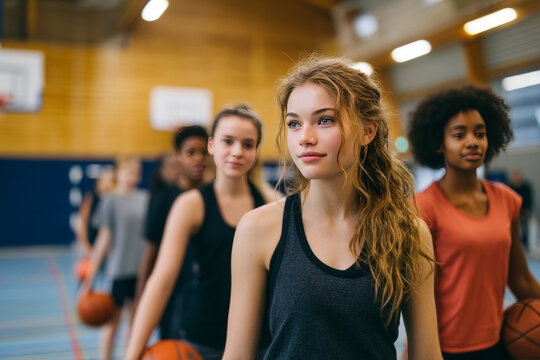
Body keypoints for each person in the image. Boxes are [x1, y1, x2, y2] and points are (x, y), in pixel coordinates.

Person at [223, 57, 442, 360]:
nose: (305, 138)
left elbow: (427, 356)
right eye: (294, 124)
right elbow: (236, 356)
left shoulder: (408, 232)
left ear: (368, 131)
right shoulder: (258, 229)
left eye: (325, 120)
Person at [125, 105, 281, 360]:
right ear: (212, 145)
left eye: (248, 144)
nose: (237, 152)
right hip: (203, 341)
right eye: (228, 141)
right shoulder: (191, 205)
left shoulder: (271, 203)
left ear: (256, 151)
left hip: (259, 342)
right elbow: (162, 280)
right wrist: (132, 354)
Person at [408, 85, 540, 359]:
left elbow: (521, 278)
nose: (472, 141)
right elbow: (418, 296)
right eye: (459, 135)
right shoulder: (422, 208)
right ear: (437, 143)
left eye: (480, 133)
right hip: (443, 349)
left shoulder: (507, 200)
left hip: (498, 342)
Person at [135, 125, 209, 341]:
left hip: (207, 300)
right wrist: (141, 304)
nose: (198, 159)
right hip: (174, 298)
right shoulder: (164, 200)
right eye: (191, 152)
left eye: (203, 152)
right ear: (178, 157)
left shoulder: (215, 197)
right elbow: (150, 254)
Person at [80, 156, 149, 360]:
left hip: (141, 271)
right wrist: (90, 279)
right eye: (129, 168)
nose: (134, 172)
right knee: (111, 323)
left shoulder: (146, 198)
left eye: (137, 169)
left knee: (135, 324)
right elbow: (103, 240)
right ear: (118, 173)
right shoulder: (110, 200)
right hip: (118, 271)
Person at [75, 166, 115, 257]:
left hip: (107, 250)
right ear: (100, 181)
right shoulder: (90, 199)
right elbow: (81, 225)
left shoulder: (113, 200)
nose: (110, 184)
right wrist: (86, 247)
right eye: (108, 180)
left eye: (112, 181)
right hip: (90, 247)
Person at [510, 168, 534, 251]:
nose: (516, 178)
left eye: (518, 176)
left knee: (524, 227)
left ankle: (525, 244)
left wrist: (527, 210)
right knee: (513, 229)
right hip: (513, 212)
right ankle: (514, 244)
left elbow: (529, 200)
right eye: (515, 176)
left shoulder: (526, 187)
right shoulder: (510, 187)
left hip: (524, 211)